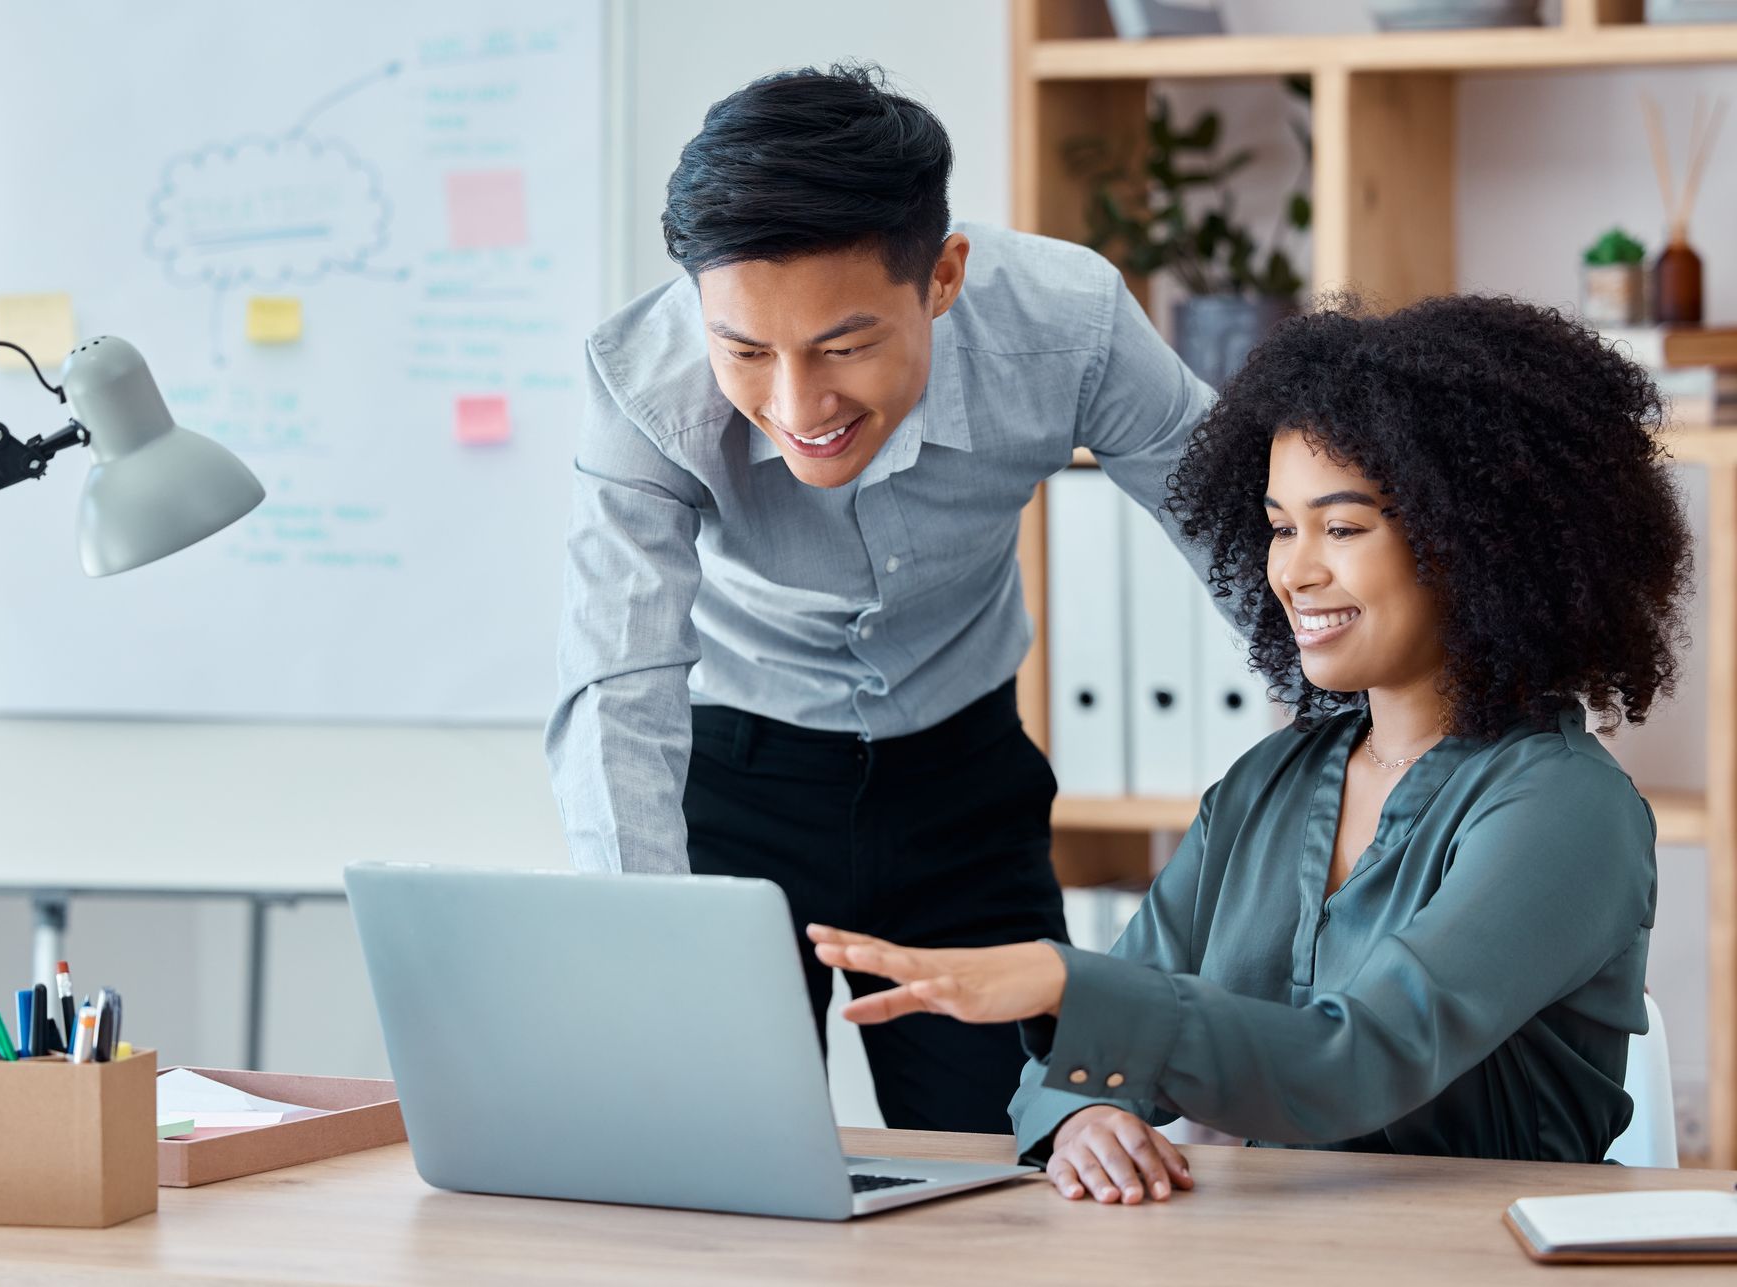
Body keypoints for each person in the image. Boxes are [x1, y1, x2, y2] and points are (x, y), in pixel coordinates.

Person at [809, 293, 1693, 1191]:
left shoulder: (1567, 812)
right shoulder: (1270, 783)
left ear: (1479, 542)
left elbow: (1360, 1061)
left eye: (1341, 528)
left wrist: (1067, 987)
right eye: (1279, 526)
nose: (1292, 571)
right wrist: (1088, 1115)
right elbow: (1063, 1071)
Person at [544, 63, 1215, 1133]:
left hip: (962, 789)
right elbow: (617, 680)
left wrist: (1370, 760)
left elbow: (1242, 533)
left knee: (1011, 1160)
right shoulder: (640, 383)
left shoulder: (1067, 323)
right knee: (717, 1158)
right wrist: (643, 951)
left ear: (942, 277)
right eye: (745, 349)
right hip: (732, 795)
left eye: (844, 346)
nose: (795, 403)